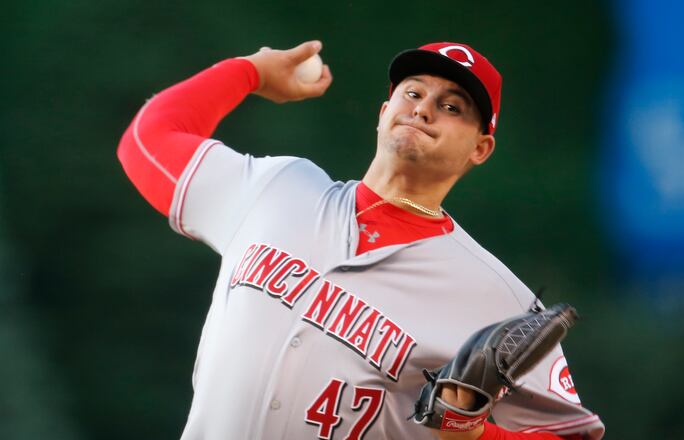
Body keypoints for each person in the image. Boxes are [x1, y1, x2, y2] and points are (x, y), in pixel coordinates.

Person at [117, 40, 604, 440]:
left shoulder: (498, 297)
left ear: (481, 148)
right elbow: (147, 139)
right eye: (412, 93)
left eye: (452, 106)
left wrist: (473, 433)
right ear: (383, 111)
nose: (424, 109)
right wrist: (249, 72)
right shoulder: (277, 188)